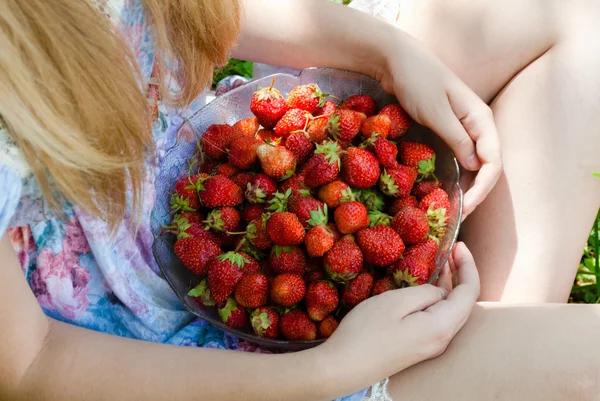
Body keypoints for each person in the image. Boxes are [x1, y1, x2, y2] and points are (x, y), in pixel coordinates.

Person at [0, 2, 597, 401]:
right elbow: (30, 365)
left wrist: (385, 53)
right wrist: (328, 370)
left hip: (230, 159)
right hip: (179, 358)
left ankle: (461, 347)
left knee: (571, 16)